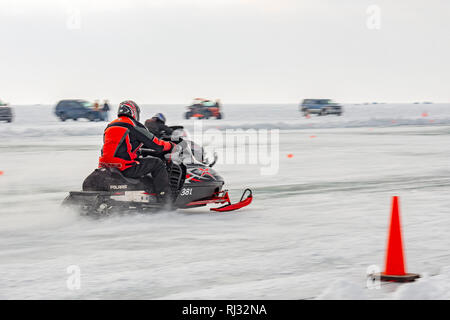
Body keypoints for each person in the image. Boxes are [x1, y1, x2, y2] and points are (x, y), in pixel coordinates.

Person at [98, 101, 175, 206]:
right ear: (134, 112)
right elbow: (156, 145)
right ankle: (165, 199)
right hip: (125, 167)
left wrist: (137, 151)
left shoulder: (110, 126)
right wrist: (171, 145)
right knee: (157, 163)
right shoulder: (133, 125)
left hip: (106, 167)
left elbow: (111, 147)